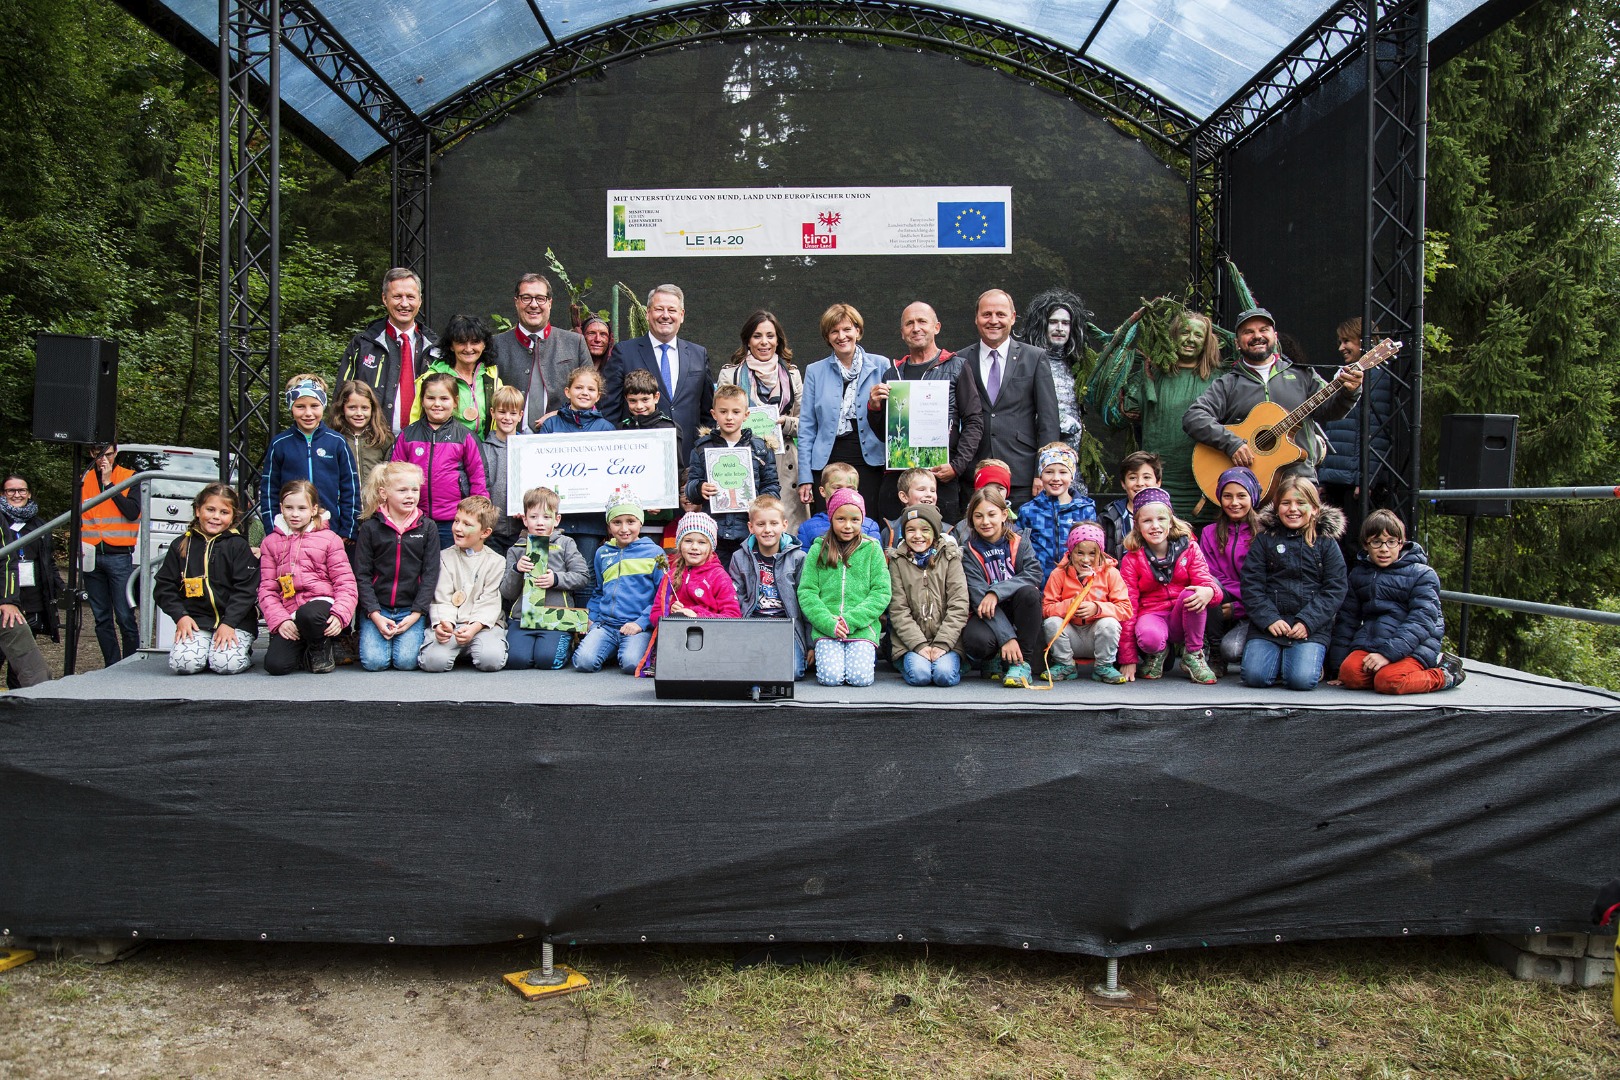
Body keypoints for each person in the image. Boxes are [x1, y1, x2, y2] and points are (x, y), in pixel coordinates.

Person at [1183, 307, 1364, 489]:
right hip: (1249, 487)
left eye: (1264, 330)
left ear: (1275, 336)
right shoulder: (1228, 383)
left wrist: (1350, 393)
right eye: (1248, 332)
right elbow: (1194, 417)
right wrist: (1231, 444)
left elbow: (1331, 411)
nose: (1257, 336)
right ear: (1237, 343)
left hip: (1299, 483)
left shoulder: (1303, 375)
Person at [867, 302, 984, 521]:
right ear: (902, 333)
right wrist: (874, 408)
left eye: (922, 321)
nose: (916, 328)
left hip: (941, 477)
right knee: (895, 537)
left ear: (936, 327)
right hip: (899, 480)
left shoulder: (957, 366)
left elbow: (974, 421)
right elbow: (886, 435)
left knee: (941, 538)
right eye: (909, 323)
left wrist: (956, 466)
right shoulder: (893, 374)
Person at [1329, 509, 1466, 694]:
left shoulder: (1422, 574)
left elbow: (1422, 620)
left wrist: (1387, 654)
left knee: (1389, 681)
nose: (1384, 549)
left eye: (1391, 541)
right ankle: (1387, 674)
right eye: (1376, 542)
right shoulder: (1359, 574)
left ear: (1401, 543)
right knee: (1350, 674)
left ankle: (1445, 675)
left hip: (1414, 645)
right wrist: (1338, 667)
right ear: (1366, 545)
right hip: (1373, 642)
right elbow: (1347, 619)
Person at [1239, 475, 1347, 692]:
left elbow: (1335, 588)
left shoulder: (1326, 543)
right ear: (1277, 507)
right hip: (1269, 625)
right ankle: (1281, 662)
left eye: (1300, 503)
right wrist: (1269, 619)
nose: (1293, 509)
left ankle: (1309, 662)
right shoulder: (1264, 539)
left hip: (1309, 627)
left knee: (1301, 680)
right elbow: (1251, 584)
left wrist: (1307, 621)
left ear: (1314, 508)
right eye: (1286, 503)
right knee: (1255, 677)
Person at [957, 289, 1059, 508]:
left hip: (1021, 475)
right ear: (976, 318)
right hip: (973, 474)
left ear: (1013, 318)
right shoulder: (960, 360)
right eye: (987, 314)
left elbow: (1049, 420)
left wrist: (1042, 471)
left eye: (1000, 314)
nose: (993, 320)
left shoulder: (1034, 358)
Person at [1124, 308, 1223, 524]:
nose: (1190, 339)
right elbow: (1128, 411)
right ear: (1173, 336)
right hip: (1159, 480)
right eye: (1185, 332)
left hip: (1203, 483)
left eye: (1198, 335)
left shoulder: (1219, 380)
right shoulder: (1152, 375)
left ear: (1207, 341)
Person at [1117, 487, 1220, 684]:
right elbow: (1128, 605)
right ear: (1137, 525)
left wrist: (1210, 591)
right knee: (1149, 639)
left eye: (1161, 519)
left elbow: (1206, 581)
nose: (1155, 526)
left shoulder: (1190, 548)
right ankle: (1157, 652)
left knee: (1193, 594)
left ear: (1171, 521)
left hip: (1183, 617)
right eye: (1147, 521)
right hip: (1153, 614)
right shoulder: (1132, 559)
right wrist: (1128, 658)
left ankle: (1193, 654)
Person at [601, 284, 713, 465]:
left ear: (682, 315)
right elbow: (609, 411)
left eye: (672, 310)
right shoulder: (624, 352)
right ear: (647, 313)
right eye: (659, 309)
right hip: (638, 461)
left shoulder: (698, 354)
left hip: (690, 461)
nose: (665, 315)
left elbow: (708, 413)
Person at [153, 483, 258, 676]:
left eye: (224, 512)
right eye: (210, 509)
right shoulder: (180, 545)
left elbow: (246, 590)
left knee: (226, 664)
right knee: (183, 664)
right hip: (196, 622)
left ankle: (234, 653)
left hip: (235, 623)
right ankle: (205, 651)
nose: (216, 516)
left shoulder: (238, 546)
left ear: (232, 517)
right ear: (197, 510)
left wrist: (229, 623)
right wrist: (181, 616)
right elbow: (164, 588)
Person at [258, 479, 357, 676]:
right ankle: (305, 648)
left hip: (320, 605)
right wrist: (280, 620)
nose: (295, 514)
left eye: (302, 508)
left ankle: (320, 646)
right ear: (281, 508)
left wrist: (340, 614)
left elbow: (346, 583)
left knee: (309, 614)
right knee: (276, 665)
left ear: (313, 510)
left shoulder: (330, 539)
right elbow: (267, 589)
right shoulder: (270, 542)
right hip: (290, 610)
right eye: (289, 508)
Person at [719, 310, 805, 532]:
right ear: (748, 340)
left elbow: (806, 423)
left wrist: (786, 423)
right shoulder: (731, 375)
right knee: (754, 529)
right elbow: (720, 421)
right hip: (746, 462)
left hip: (785, 462)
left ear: (778, 340)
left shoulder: (792, 374)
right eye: (757, 336)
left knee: (786, 529)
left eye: (770, 335)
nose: (764, 342)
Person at [798, 303, 887, 516]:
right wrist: (805, 477)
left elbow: (891, 419)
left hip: (871, 463)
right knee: (829, 524)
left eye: (847, 329)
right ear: (827, 337)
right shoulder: (815, 371)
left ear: (858, 331)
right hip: (826, 463)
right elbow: (807, 428)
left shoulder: (881, 365)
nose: (841, 336)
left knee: (866, 523)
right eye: (834, 331)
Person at [796, 489, 890, 688]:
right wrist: (828, 622)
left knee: (860, 678)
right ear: (831, 518)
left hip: (862, 629)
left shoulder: (872, 549)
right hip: (827, 629)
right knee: (830, 678)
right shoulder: (818, 549)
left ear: (862, 520)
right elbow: (807, 592)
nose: (848, 526)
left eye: (855, 520)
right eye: (841, 519)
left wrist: (850, 621)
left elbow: (881, 592)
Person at [353, 461, 439, 672]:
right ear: (384, 493)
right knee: (374, 662)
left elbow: (430, 574)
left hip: (410, 610)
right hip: (378, 609)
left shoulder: (428, 528)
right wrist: (374, 614)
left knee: (406, 662)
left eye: (414, 490)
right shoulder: (370, 528)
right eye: (402, 490)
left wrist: (417, 613)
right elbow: (362, 575)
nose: (410, 496)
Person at [1318, 316, 1395, 544]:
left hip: (1355, 481)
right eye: (1340, 342)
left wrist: (1368, 477)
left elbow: (1379, 432)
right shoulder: (1341, 375)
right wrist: (1323, 477)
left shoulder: (1379, 379)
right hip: (1334, 477)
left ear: (1365, 341)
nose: (1341, 348)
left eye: (1347, 341)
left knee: (1354, 544)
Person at [959, 488, 1048, 688]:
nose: (985, 522)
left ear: (1004, 514)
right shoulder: (968, 551)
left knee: (1030, 593)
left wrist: (996, 592)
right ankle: (993, 656)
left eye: (992, 514)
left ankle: (1021, 662)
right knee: (975, 640)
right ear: (971, 519)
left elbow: (1034, 573)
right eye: (978, 516)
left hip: (1019, 609)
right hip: (988, 612)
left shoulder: (1020, 541)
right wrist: (1007, 638)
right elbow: (978, 596)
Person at [390, 371, 489, 549]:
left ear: (455, 401)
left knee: (450, 564)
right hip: (414, 517)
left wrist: (477, 517)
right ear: (422, 401)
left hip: (454, 521)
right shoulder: (408, 435)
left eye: (444, 398)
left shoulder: (465, 437)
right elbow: (393, 476)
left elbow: (479, 478)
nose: (437, 404)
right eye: (430, 398)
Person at [685, 383, 779, 566]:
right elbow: (690, 487)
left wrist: (760, 504)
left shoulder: (760, 449)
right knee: (717, 576)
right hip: (714, 531)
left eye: (736, 412)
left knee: (747, 575)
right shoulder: (702, 448)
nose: (729, 417)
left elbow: (772, 486)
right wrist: (699, 488)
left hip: (749, 530)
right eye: (723, 411)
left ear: (746, 415)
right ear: (714, 414)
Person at [572, 487, 663, 674]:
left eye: (630, 521)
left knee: (631, 664)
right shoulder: (602, 553)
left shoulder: (655, 553)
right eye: (617, 522)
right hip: (606, 624)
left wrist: (641, 623)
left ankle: (630, 649)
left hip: (637, 625)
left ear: (640, 522)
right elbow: (599, 590)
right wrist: (591, 617)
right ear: (608, 525)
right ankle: (611, 648)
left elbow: (662, 595)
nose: (624, 529)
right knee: (583, 662)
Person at [338, 268, 440, 433]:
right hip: (373, 439)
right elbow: (341, 396)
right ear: (385, 299)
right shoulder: (362, 345)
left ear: (420, 300)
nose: (404, 304)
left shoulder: (436, 348)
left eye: (410, 297)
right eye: (397, 296)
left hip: (424, 441)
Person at [261, 374, 360, 541]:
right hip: (288, 532)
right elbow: (269, 490)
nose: (308, 413)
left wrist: (347, 531)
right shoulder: (280, 444)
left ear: (323, 405)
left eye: (314, 406)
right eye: (300, 407)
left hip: (330, 531)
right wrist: (273, 531)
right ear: (291, 407)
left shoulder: (337, 442)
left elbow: (350, 489)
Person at [501, 486, 590, 671]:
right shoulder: (516, 550)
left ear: (557, 520)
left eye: (546, 517)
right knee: (516, 661)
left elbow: (582, 577)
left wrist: (556, 579)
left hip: (556, 617)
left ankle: (565, 643)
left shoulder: (566, 544)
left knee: (547, 660)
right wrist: (517, 570)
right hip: (522, 619)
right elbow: (507, 593)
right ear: (525, 519)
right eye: (534, 517)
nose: (540, 522)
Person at [418, 496, 509, 673]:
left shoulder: (496, 561)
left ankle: (477, 646)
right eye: (456, 521)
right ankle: (456, 648)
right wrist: (444, 625)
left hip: (482, 626)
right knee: (434, 662)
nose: (458, 528)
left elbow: (490, 601)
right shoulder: (443, 557)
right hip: (453, 623)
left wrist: (473, 628)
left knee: (491, 660)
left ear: (485, 532)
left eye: (467, 524)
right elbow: (442, 598)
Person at [489, 273, 591, 430]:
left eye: (540, 298)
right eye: (526, 298)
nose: (533, 304)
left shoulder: (574, 343)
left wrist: (562, 413)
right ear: (516, 302)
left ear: (550, 303)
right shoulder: (495, 345)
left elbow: (591, 393)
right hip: (508, 439)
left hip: (562, 436)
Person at [885, 503, 969, 688]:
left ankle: (957, 664)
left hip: (948, 640)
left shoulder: (950, 557)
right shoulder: (897, 561)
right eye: (911, 530)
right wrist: (919, 644)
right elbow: (898, 609)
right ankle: (906, 662)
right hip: (911, 642)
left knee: (944, 676)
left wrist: (943, 643)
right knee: (920, 675)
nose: (917, 535)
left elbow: (959, 605)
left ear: (936, 532)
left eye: (925, 530)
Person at [645, 512, 741, 671]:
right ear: (679, 544)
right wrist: (670, 613)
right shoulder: (670, 576)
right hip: (675, 644)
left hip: (709, 644)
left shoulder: (719, 576)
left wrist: (696, 615)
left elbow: (733, 617)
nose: (694, 547)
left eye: (702, 542)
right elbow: (655, 615)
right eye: (688, 541)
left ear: (711, 547)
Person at [730, 494, 809, 680]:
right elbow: (736, 598)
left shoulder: (798, 558)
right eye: (760, 524)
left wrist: (810, 643)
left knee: (794, 672)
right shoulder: (739, 558)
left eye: (774, 523)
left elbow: (806, 603)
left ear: (784, 525)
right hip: (753, 624)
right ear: (751, 527)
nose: (767, 530)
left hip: (787, 626)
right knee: (743, 669)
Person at [1042, 522, 1130, 683]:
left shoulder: (1111, 574)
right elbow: (1046, 608)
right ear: (1071, 552)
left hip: (1096, 636)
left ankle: (1104, 665)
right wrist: (1068, 606)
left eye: (1092, 553)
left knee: (1110, 623)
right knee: (1051, 623)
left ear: (1101, 553)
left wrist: (1097, 608)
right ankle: (1065, 664)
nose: (1086, 559)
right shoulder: (1058, 574)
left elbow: (1125, 609)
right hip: (1070, 636)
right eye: (1080, 553)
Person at [79, 442, 140, 666]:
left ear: (116, 453)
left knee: (124, 615)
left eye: (109, 454)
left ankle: (131, 664)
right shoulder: (83, 479)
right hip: (90, 554)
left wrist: (109, 484)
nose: (104, 460)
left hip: (118, 555)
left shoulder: (130, 477)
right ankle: (112, 664)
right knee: (101, 617)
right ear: (91, 453)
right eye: (99, 455)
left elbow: (132, 512)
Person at [1198, 466, 1262, 674]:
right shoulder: (1209, 533)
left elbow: (1266, 583)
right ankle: (1215, 651)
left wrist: (1238, 607)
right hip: (1220, 602)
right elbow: (1209, 573)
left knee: (1232, 650)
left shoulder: (1265, 533)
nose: (1234, 502)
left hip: (1254, 609)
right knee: (1209, 586)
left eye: (1241, 496)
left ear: (1252, 497)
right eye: (1227, 496)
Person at [0, 474, 61, 686]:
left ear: (29, 493)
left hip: (30, 597)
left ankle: (22, 699)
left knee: (24, 665)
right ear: (3, 494)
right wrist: (7, 598)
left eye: (21, 490)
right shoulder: (2, 520)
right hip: (7, 595)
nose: (17, 495)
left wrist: (58, 587)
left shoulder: (39, 524)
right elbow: (6, 560)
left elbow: (47, 561)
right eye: (11, 490)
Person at [1014, 288, 1089, 458]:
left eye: (1066, 323)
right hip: (1035, 453)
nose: (1060, 328)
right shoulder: (1025, 363)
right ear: (1042, 325)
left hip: (1073, 455)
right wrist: (1059, 422)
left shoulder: (1077, 366)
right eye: (1053, 322)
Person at [411, 314, 502, 439]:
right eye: (461, 342)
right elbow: (415, 422)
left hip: (483, 449)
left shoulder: (492, 379)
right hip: (443, 449)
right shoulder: (432, 378)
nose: (468, 348)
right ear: (451, 346)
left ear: (484, 345)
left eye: (475, 342)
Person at [1016, 443, 1098, 577]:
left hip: (1074, 581)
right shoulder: (1028, 511)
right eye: (1049, 472)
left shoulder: (1085, 510)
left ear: (1072, 476)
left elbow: (1094, 548)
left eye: (1063, 472)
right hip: (1038, 581)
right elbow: (1019, 550)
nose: (1056, 478)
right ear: (1040, 475)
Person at [618, 368, 682, 540]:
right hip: (627, 515)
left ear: (656, 397)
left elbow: (676, 470)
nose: (639, 406)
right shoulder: (622, 429)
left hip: (658, 514)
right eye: (633, 401)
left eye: (645, 399)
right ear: (626, 400)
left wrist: (661, 501)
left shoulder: (669, 428)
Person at [328, 380, 394, 505]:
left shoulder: (383, 438)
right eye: (352, 407)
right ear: (342, 409)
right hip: (345, 507)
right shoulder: (333, 439)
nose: (359, 413)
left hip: (376, 508)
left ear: (372, 409)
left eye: (364, 408)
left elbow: (390, 477)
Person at [479, 385, 526, 555]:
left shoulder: (528, 448)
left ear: (520, 415)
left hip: (522, 529)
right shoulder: (482, 449)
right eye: (502, 412)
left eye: (513, 413)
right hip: (491, 531)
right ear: (492, 413)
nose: (507, 418)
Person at [797, 461, 881, 549]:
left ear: (856, 492)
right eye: (837, 488)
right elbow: (806, 557)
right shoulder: (808, 527)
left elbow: (876, 555)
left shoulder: (869, 526)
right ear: (822, 491)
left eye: (850, 488)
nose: (843, 493)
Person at [1101, 452, 1162, 561]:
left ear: (1158, 482)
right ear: (1123, 483)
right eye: (1133, 478)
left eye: (1146, 477)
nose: (1140, 483)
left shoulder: (1168, 517)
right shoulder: (1108, 518)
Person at [878, 467, 937, 549]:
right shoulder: (889, 532)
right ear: (904, 497)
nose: (929, 494)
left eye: (933, 491)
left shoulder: (945, 531)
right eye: (921, 489)